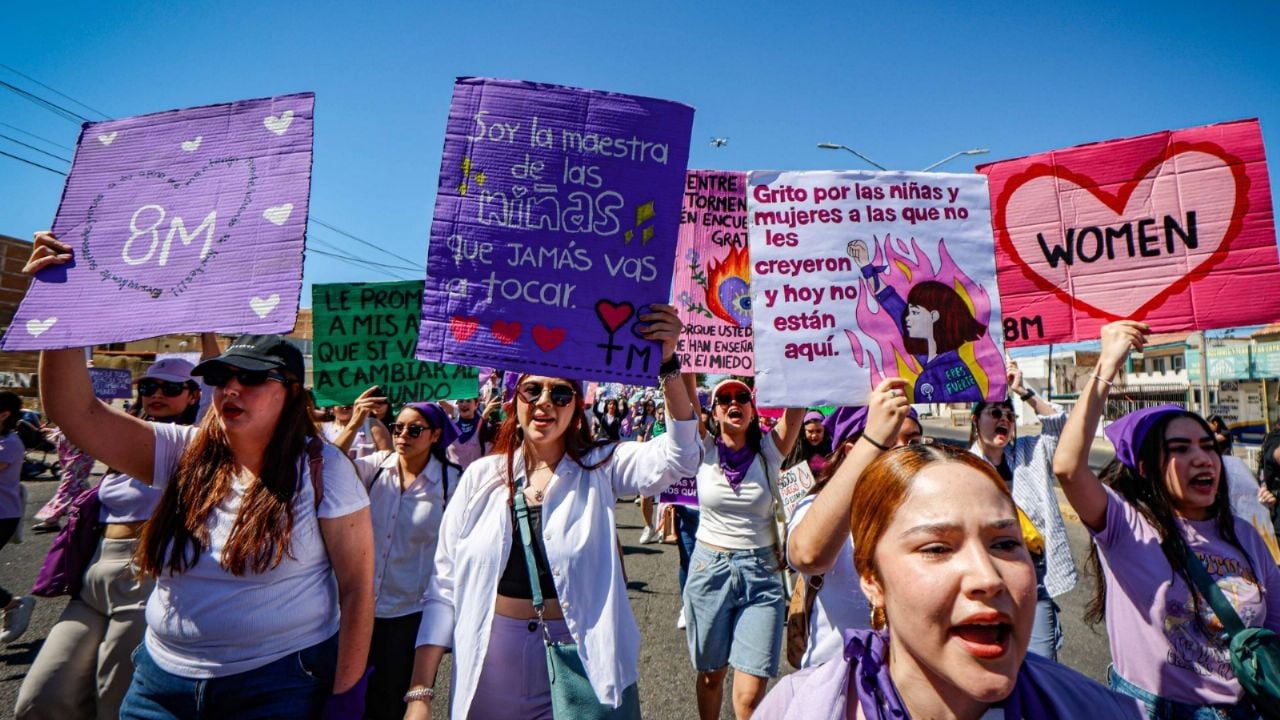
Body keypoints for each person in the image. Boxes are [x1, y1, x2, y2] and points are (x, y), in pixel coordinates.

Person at [30, 228, 374, 719]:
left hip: (275, 685)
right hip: (158, 683)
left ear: (292, 393)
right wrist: (62, 303)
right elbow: (76, 413)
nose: (231, 388)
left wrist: (346, 694)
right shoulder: (181, 449)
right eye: (219, 377)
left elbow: (358, 586)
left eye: (252, 378)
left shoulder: (323, 468)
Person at [405, 305, 698, 720]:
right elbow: (444, 586)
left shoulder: (601, 466)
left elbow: (682, 457)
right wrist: (420, 692)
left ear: (576, 406)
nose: (545, 402)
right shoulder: (480, 478)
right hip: (492, 667)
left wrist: (668, 363)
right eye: (533, 391)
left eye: (560, 393)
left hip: (581, 662)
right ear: (514, 401)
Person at [756, 443, 1141, 719]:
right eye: (937, 548)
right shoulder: (795, 707)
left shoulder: (1102, 709)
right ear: (871, 580)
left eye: (1006, 543)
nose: (988, 578)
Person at [1054, 320, 1280, 719]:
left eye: (1207, 446)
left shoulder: (1244, 535)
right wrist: (1107, 363)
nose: (1201, 458)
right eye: (1180, 448)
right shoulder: (1127, 527)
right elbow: (1069, 468)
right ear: (1146, 467)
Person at [16, 358, 204, 719]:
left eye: (170, 387)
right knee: (42, 698)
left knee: (115, 702)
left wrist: (208, 331)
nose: (156, 395)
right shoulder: (121, 442)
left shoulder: (198, 445)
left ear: (195, 394)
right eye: (148, 387)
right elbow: (73, 410)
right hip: (94, 577)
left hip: (148, 581)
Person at [684, 378, 805, 720]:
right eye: (724, 398)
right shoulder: (703, 448)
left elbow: (796, 409)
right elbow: (687, 396)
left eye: (741, 397)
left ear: (753, 410)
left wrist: (801, 357)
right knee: (711, 677)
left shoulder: (769, 451)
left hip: (762, 575)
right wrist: (686, 369)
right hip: (710, 572)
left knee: (749, 697)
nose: (733, 402)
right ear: (714, 411)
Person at [786, 380, 916, 669]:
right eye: (888, 442)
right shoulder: (816, 508)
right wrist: (873, 440)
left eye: (913, 442)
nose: (904, 454)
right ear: (850, 451)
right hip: (837, 683)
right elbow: (806, 555)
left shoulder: (929, 510)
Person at [351, 402, 461, 720]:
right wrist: (358, 419)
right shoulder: (374, 468)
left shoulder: (450, 484)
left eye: (414, 430)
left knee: (390, 698)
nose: (402, 435)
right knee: (347, 695)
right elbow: (325, 464)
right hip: (359, 608)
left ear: (435, 435)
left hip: (409, 614)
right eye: (398, 428)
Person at [967, 360, 1077, 661]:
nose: (1003, 418)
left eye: (1008, 414)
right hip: (990, 574)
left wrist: (1023, 391)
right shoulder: (965, 466)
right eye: (994, 413)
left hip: (1035, 574)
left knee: (1043, 664)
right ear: (976, 421)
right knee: (996, 660)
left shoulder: (1030, 451)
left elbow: (1059, 423)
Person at [852, 240, 988, 403]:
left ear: (934, 316)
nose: (907, 317)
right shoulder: (934, 356)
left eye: (915, 312)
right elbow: (894, 307)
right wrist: (867, 268)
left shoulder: (938, 373)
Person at [0, 391, 35, 644]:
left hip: (2, 515)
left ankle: (13, 605)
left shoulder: (10, 443)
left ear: (4, 415)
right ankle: (11, 605)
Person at [783, 410, 833, 474]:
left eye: (818, 431)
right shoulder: (793, 449)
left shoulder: (830, 450)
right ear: (804, 431)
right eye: (810, 431)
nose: (814, 435)